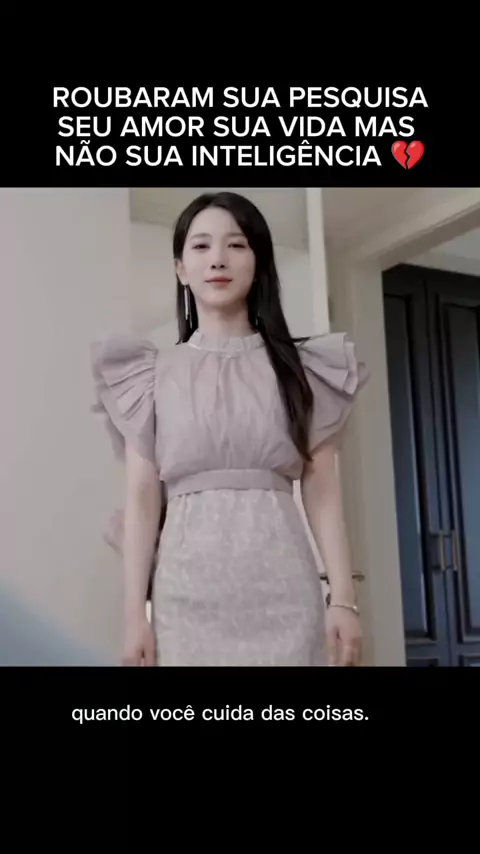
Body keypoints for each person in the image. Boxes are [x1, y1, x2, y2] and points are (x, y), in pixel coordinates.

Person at [91, 191, 369, 667]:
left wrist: (342, 599)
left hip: (286, 593)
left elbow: (322, 490)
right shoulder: (149, 375)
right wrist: (135, 614)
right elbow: (142, 498)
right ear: (181, 268)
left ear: (257, 263)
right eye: (201, 246)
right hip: (185, 598)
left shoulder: (302, 371)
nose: (217, 259)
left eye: (236, 245)